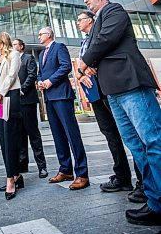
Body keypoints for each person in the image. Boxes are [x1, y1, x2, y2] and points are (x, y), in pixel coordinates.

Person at [79, 0, 161, 226]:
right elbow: (98, 48)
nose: (86, 0)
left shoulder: (113, 10)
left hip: (130, 83)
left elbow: (107, 39)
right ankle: (155, 202)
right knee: (136, 146)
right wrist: (90, 64)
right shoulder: (94, 26)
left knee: (153, 141)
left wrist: (84, 62)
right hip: (112, 92)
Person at [76, 11, 137, 192]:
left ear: (90, 21)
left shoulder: (102, 35)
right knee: (110, 134)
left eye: (80, 20)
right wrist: (82, 73)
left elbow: (100, 55)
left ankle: (143, 179)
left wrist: (86, 67)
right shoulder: (83, 42)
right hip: (94, 93)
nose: (77, 23)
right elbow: (81, 67)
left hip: (110, 87)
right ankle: (122, 176)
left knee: (129, 133)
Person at [38, 27, 89, 190]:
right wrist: (40, 81)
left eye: (41, 34)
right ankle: (65, 170)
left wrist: (50, 81)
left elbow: (66, 66)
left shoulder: (59, 47)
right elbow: (41, 73)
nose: (39, 36)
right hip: (49, 97)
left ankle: (82, 173)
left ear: (49, 35)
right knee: (58, 135)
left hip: (61, 95)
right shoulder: (41, 54)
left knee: (71, 134)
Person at [0, 32, 22, 200]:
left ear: (3, 42)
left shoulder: (14, 54)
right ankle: (15, 174)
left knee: (10, 137)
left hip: (10, 96)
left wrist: (1, 92)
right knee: (3, 138)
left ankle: (11, 179)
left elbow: (11, 75)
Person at [12, 38, 47, 178]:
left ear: (21, 47)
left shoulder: (28, 58)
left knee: (33, 134)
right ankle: (22, 166)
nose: (13, 47)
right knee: (19, 136)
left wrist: (22, 89)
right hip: (15, 103)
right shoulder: (10, 61)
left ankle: (42, 167)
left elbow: (32, 75)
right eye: (12, 45)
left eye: (15, 44)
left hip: (27, 100)